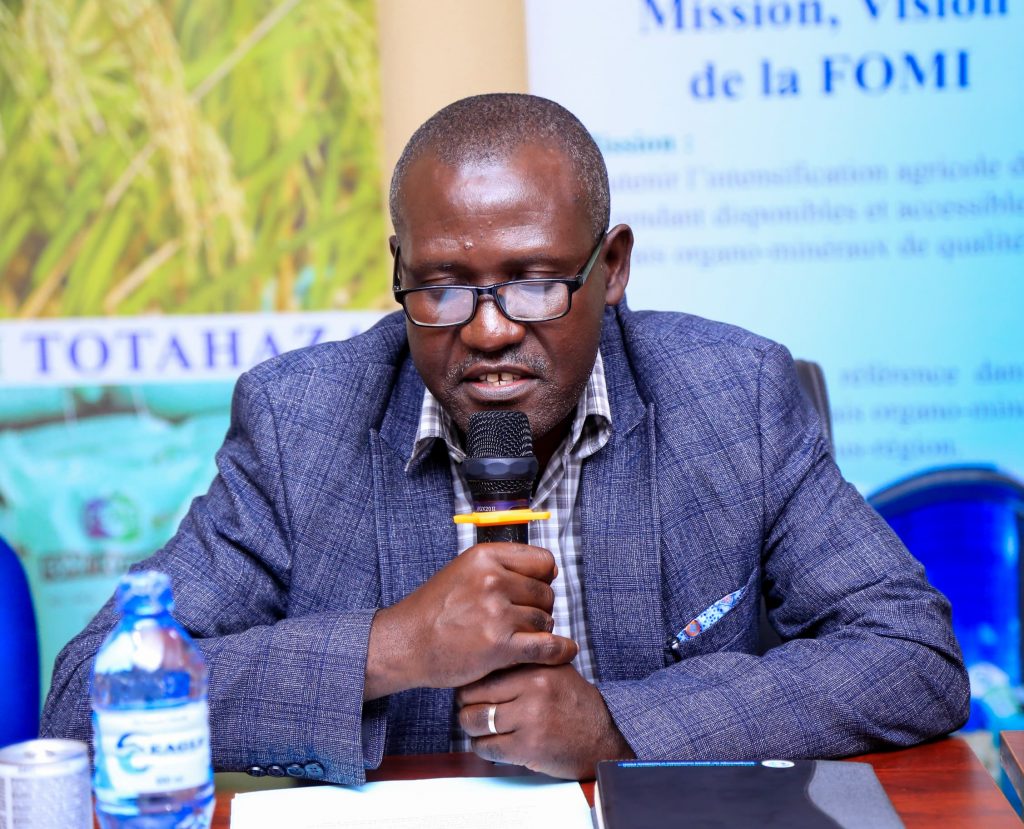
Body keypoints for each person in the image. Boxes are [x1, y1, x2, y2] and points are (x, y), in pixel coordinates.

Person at [41, 94, 969, 785]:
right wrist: (393, 645)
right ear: (399, 269)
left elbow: (912, 655)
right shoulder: (303, 422)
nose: (487, 330)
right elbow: (88, 693)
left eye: (533, 281)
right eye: (443, 286)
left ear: (611, 268)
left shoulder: (732, 397)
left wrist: (617, 727)